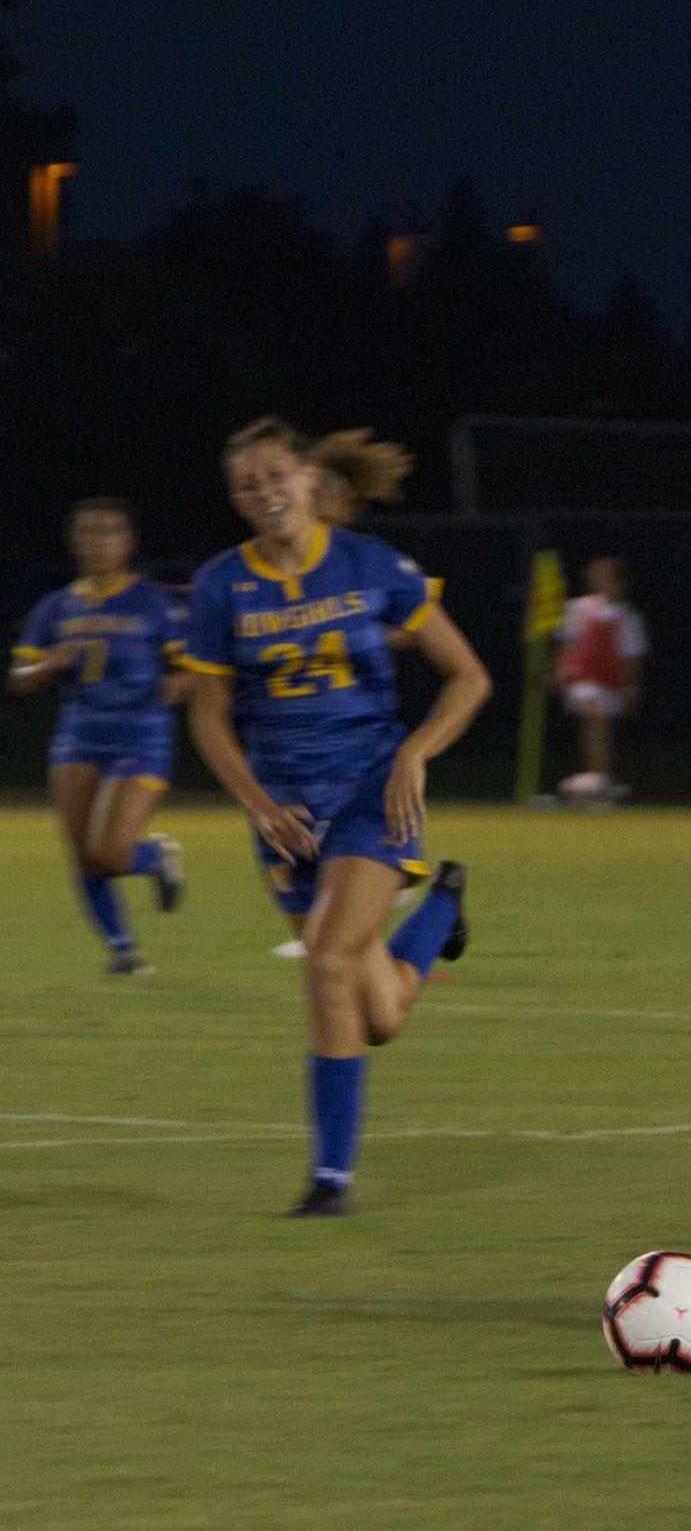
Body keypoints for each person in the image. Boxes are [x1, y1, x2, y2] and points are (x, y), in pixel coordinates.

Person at [182, 417, 491, 1215]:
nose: (264, 492)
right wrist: (256, 802)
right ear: (236, 501)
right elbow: (209, 715)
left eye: (275, 475)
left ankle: (331, 1181)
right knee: (377, 1013)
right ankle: (445, 904)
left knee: (324, 959)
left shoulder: (370, 565)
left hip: (369, 796)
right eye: (247, 484)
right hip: (284, 814)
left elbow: (468, 677)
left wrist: (415, 753)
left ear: (311, 481)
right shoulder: (221, 586)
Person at [264, 426, 436, 961]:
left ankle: (370, 926)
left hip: (354, 749)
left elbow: (419, 629)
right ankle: (437, 914)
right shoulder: (272, 563)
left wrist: (353, 633)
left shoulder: (366, 562)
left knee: (334, 941)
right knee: (324, 940)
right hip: (289, 760)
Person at [7, 498, 187, 976]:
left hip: (141, 736)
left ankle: (154, 857)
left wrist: (174, 687)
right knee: (83, 853)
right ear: (74, 541)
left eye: (109, 531)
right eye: (87, 532)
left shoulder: (153, 601)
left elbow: (193, 670)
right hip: (78, 736)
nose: (97, 540)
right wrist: (46, 664)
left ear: (128, 542)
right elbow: (19, 674)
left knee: (110, 850)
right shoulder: (55, 607)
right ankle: (123, 950)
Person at [554, 556, 646, 804]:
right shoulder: (577, 608)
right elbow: (566, 644)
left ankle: (600, 779)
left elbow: (632, 657)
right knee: (594, 716)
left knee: (599, 726)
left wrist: (631, 689)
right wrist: (559, 670)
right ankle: (599, 779)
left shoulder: (629, 617)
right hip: (582, 679)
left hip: (611, 682)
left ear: (620, 582)